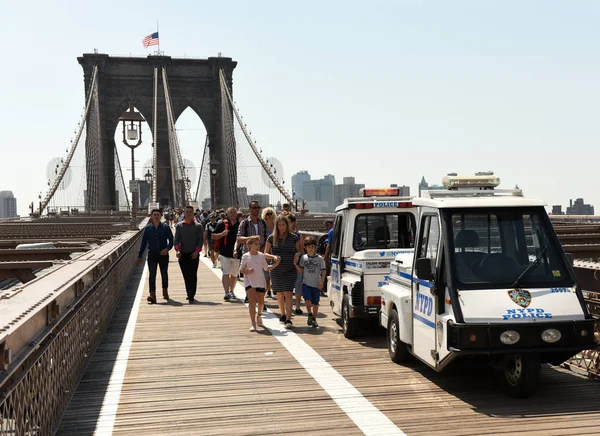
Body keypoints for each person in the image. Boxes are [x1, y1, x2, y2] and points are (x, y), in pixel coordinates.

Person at [265, 214, 301, 329]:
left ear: (287, 225)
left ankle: (288, 319)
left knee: (288, 293)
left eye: (283, 225)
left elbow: (299, 251)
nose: (281, 227)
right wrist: (273, 257)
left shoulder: (294, 237)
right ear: (277, 226)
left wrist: (297, 255)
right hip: (276, 270)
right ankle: (283, 314)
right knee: (280, 294)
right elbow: (265, 253)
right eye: (279, 225)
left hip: (290, 269)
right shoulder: (271, 238)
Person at [239, 236, 280, 331]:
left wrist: (275, 264)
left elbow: (266, 268)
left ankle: (259, 316)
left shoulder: (261, 255)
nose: (257, 246)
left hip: (260, 281)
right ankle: (253, 323)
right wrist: (247, 271)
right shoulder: (245, 256)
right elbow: (241, 270)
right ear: (249, 245)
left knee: (261, 304)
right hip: (249, 281)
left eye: (258, 244)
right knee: (252, 303)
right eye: (255, 244)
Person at [138, 208, 174, 304]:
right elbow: (144, 242)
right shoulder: (148, 228)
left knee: (164, 273)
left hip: (163, 254)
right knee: (152, 274)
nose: (156, 216)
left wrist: (167, 249)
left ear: (160, 216)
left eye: (158, 214)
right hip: (152, 254)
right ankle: (152, 294)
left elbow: (171, 240)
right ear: (151, 216)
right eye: (154, 215)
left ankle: (165, 291)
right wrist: (140, 255)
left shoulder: (166, 227)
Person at [174, 205, 204, 303]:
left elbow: (201, 240)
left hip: (194, 254)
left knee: (193, 274)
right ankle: (189, 292)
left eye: (190, 212)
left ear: (193, 213)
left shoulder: (198, 226)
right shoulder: (179, 226)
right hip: (183, 254)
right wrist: (177, 250)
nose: (188, 213)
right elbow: (176, 239)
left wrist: (197, 251)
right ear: (184, 213)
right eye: (186, 212)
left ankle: (191, 294)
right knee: (186, 275)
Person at [294, 236, 326, 327]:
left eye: (312, 246)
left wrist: (322, 282)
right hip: (306, 283)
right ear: (305, 248)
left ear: (315, 247)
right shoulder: (303, 258)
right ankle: (309, 314)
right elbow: (302, 270)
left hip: (316, 284)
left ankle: (314, 319)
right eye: (308, 247)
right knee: (307, 300)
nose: (310, 249)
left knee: (315, 303)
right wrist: (295, 265)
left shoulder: (320, 259)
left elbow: (323, 271)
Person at [212, 207, 241, 300]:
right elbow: (213, 236)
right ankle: (227, 292)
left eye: (234, 212)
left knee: (234, 275)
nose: (233, 214)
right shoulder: (222, 224)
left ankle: (232, 291)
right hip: (224, 253)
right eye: (231, 212)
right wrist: (221, 234)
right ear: (227, 214)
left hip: (236, 253)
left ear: (237, 214)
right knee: (226, 273)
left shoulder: (240, 224)